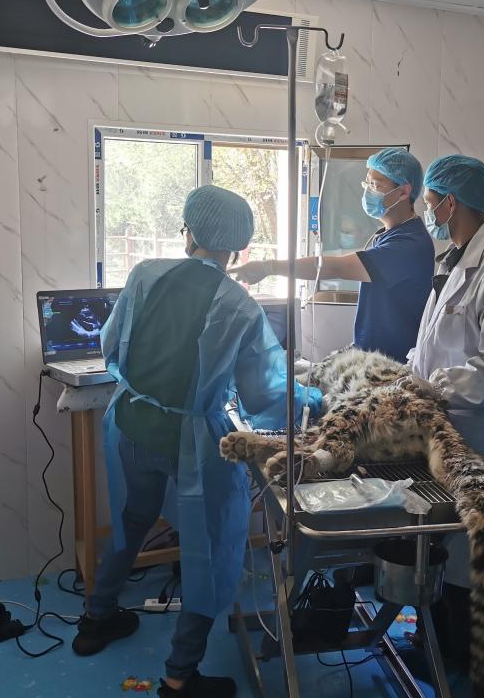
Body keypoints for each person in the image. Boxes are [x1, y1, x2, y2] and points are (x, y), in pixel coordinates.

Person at [72, 185, 322, 698]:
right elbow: (264, 393)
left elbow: (111, 345)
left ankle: (97, 617)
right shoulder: (239, 306)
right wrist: (312, 398)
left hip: (131, 423)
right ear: (239, 247)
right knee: (211, 548)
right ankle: (179, 676)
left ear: (190, 232)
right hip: (192, 442)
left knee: (132, 520)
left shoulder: (144, 274)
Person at [395, 154, 484, 672]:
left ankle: (455, 658)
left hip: (480, 437)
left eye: (430, 199)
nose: (426, 209)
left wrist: (434, 387)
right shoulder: (452, 261)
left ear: (450, 203)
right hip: (444, 430)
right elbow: (432, 343)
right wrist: (408, 375)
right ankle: (434, 644)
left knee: (467, 557)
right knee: (442, 544)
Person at [231, 147, 434, 362]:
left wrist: (270, 267)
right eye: (367, 183)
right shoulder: (390, 235)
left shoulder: (409, 244)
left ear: (403, 192)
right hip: (371, 356)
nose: (368, 192)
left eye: (376, 185)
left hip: (392, 364)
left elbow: (337, 267)